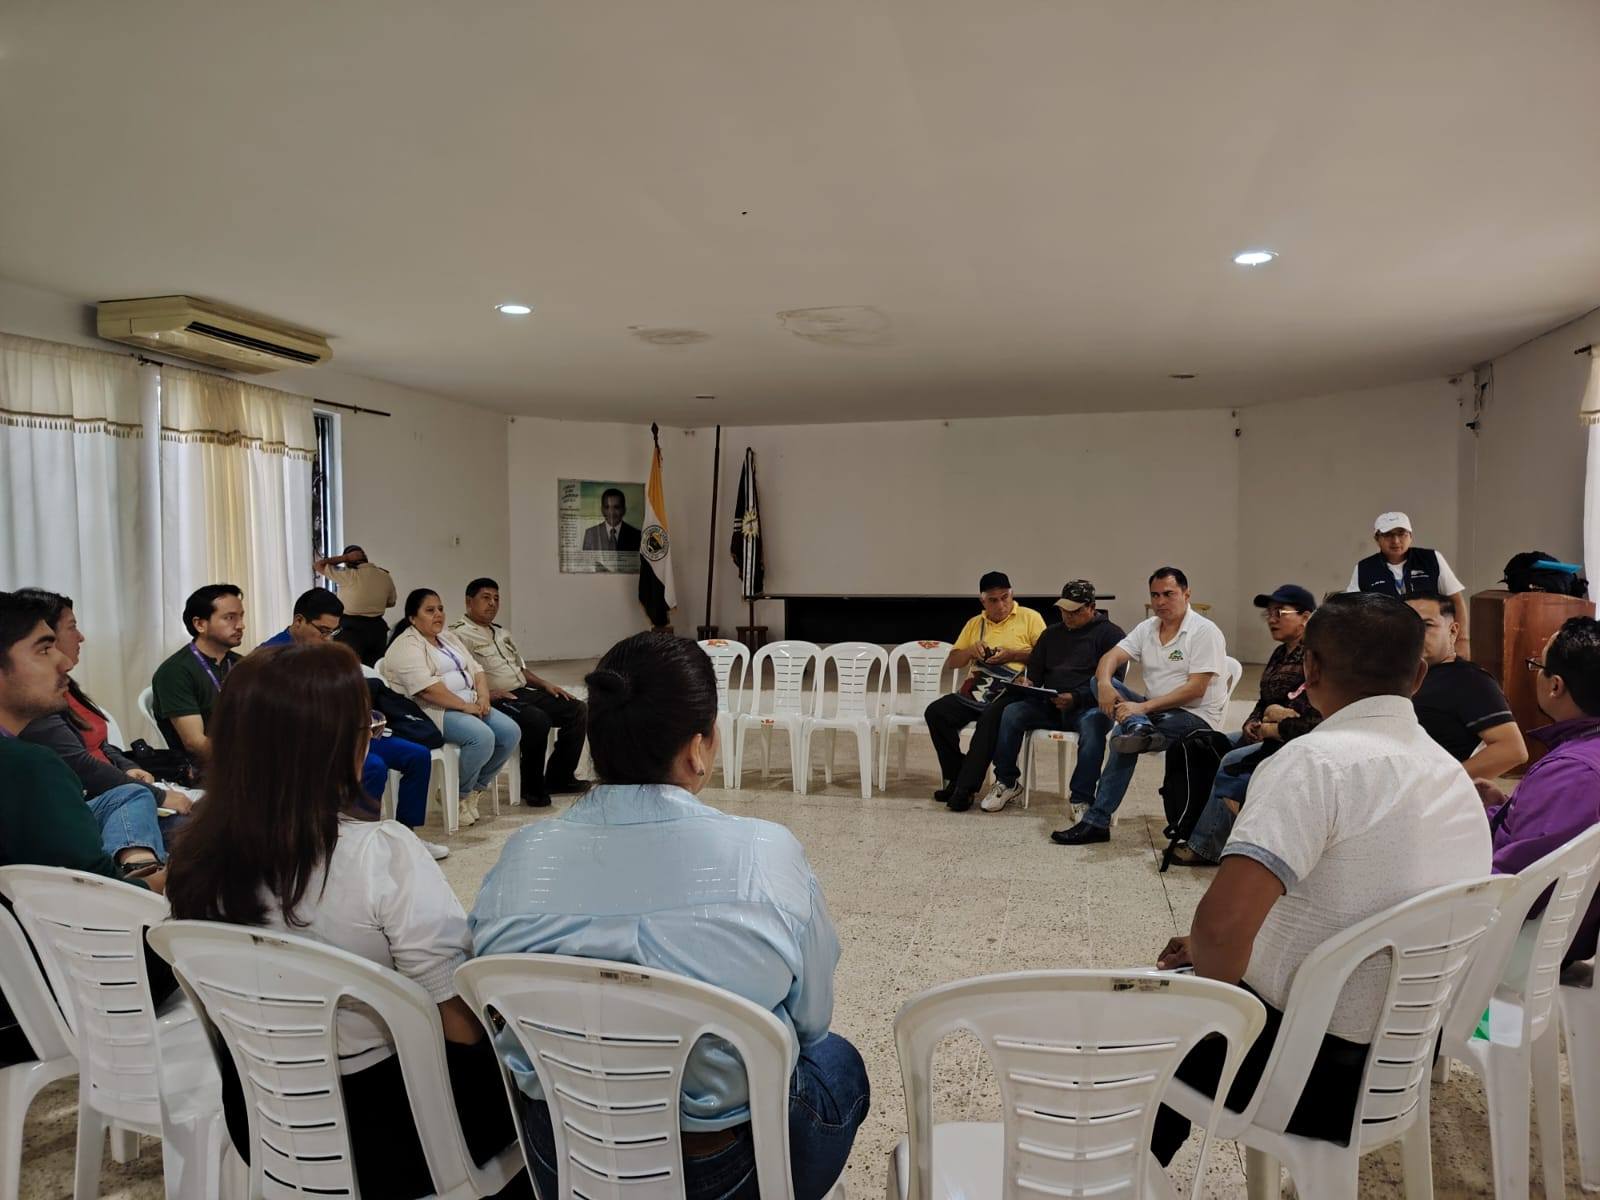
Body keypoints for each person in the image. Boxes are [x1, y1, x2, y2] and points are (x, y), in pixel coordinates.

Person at [471, 632, 869, 1200]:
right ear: (698, 747)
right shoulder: (765, 855)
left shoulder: (521, 857)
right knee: (837, 1059)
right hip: (721, 1170)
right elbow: (810, 1022)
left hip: (563, 1152)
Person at [163, 642, 526, 1199]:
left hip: (261, 1116)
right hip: (392, 1133)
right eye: (367, 727)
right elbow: (459, 1023)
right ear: (336, 747)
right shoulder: (381, 854)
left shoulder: (192, 857)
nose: (372, 738)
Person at [1149, 592, 1491, 1165]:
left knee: (1134, 1027)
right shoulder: (1450, 773)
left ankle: (1116, 1176)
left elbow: (1222, 935)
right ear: (1419, 675)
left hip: (1304, 1075)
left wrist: (1211, 956)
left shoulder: (1313, 764)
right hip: (1400, 1067)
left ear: (1309, 668)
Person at [0, 591, 175, 1069]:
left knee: (130, 798)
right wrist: (174, 879)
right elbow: (101, 906)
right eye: (43, 649)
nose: (62, 661)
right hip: (59, 994)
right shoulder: (28, 767)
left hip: (17, 986)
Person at [1053, 567, 1229, 845]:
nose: (1160, 601)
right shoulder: (1148, 628)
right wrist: (1105, 684)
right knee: (1097, 682)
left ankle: (1097, 822)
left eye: (1168, 594)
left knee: (1124, 738)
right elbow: (1111, 657)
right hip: (1154, 711)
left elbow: (1195, 689)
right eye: (1155, 595)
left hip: (1194, 716)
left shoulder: (1204, 631)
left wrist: (1142, 710)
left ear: (1186, 594)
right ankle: (1139, 728)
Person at [262, 589, 443, 859]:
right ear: (299, 621)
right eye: (323, 631)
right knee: (373, 767)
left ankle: (407, 837)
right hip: (310, 741)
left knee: (416, 755)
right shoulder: (271, 657)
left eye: (333, 632)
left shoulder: (325, 649)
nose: (328, 639)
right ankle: (358, 845)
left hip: (347, 732)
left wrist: (366, 719)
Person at [1169, 585, 1323, 866]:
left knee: (1231, 760)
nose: (1272, 619)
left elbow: (1310, 717)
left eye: (1280, 613)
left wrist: (1270, 727)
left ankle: (1207, 846)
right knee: (1200, 745)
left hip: (1292, 741)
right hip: (1266, 733)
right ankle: (1190, 824)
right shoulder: (1279, 654)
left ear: (1305, 617)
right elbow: (1264, 700)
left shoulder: (1315, 658)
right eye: (1269, 614)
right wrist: (1252, 722)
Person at [1478, 617, 1600, 968]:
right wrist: (1507, 807)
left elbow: (1517, 887)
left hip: (1529, 941)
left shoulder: (1574, 773)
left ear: (1555, 685)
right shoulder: (1581, 757)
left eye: (1538, 665)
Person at [969, 581, 1125, 814]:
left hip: (1089, 706)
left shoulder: (1111, 635)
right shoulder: (1051, 634)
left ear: (1091, 608)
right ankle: (1007, 782)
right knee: (1012, 712)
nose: (1068, 616)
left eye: (1075, 611)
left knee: (1093, 727)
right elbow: (1035, 673)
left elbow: (1114, 682)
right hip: (1051, 703)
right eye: (1064, 610)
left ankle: (1081, 798)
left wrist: (1076, 697)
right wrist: (1028, 684)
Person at [384, 589, 520, 828]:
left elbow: (476, 669)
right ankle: (458, 795)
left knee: (510, 732)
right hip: (431, 710)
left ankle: (474, 790)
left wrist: (483, 698)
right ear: (413, 618)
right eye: (430, 610)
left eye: (440, 609)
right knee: (481, 737)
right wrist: (465, 707)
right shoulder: (406, 646)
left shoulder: (447, 637)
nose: (438, 614)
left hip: (468, 702)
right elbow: (427, 690)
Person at [450, 578, 588, 807]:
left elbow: (519, 668)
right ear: (469, 602)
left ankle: (560, 778)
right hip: (495, 698)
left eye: (496, 598)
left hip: (522, 691)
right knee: (537, 720)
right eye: (486, 598)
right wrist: (488, 694)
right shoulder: (458, 635)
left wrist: (544, 684)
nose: (492, 603)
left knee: (577, 709)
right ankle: (532, 787)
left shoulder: (502, 633)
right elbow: (459, 675)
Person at [923, 571, 1047, 806]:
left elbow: (1045, 656)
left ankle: (965, 789)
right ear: (983, 601)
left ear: (1012, 595)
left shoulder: (1030, 618)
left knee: (989, 719)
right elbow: (953, 661)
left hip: (1012, 689)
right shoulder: (975, 623)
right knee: (936, 712)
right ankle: (957, 776)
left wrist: (1012, 655)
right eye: (993, 600)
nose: (1000, 605)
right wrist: (971, 651)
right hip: (976, 688)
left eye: (1005, 598)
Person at [1405, 593, 1526, 779]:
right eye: (1406, 625)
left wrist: (1441, 784)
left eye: (1427, 625)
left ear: (1453, 631)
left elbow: (1512, 750)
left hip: (1429, 791)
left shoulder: (1468, 679)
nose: (1414, 633)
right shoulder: (1399, 676)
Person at [1349, 512, 1469, 657]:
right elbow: (1352, 609)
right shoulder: (1364, 568)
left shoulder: (1431, 559)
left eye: (1401, 534)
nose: (1395, 540)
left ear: (1411, 536)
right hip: (1386, 645)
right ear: (1377, 538)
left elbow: (1456, 599)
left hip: (1431, 642)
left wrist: (1462, 640)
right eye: (1388, 535)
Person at [150, 583, 245, 766]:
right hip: (207, 769)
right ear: (200, 624)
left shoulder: (241, 664)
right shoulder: (175, 672)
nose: (241, 625)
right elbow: (195, 743)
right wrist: (247, 761)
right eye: (229, 618)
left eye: (241, 616)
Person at [315, 545, 398, 665]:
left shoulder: (348, 575)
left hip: (350, 629)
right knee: (374, 669)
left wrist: (344, 557)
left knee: (347, 668)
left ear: (348, 562)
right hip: (378, 630)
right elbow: (391, 602)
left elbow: (318, 565)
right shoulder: (385, 575)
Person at [580, 487, 642, 552]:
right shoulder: (590, 533)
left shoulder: (636, 535)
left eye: (616, 507)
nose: (611, 512)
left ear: (624, 510)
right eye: (607, 507)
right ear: (602, 510)